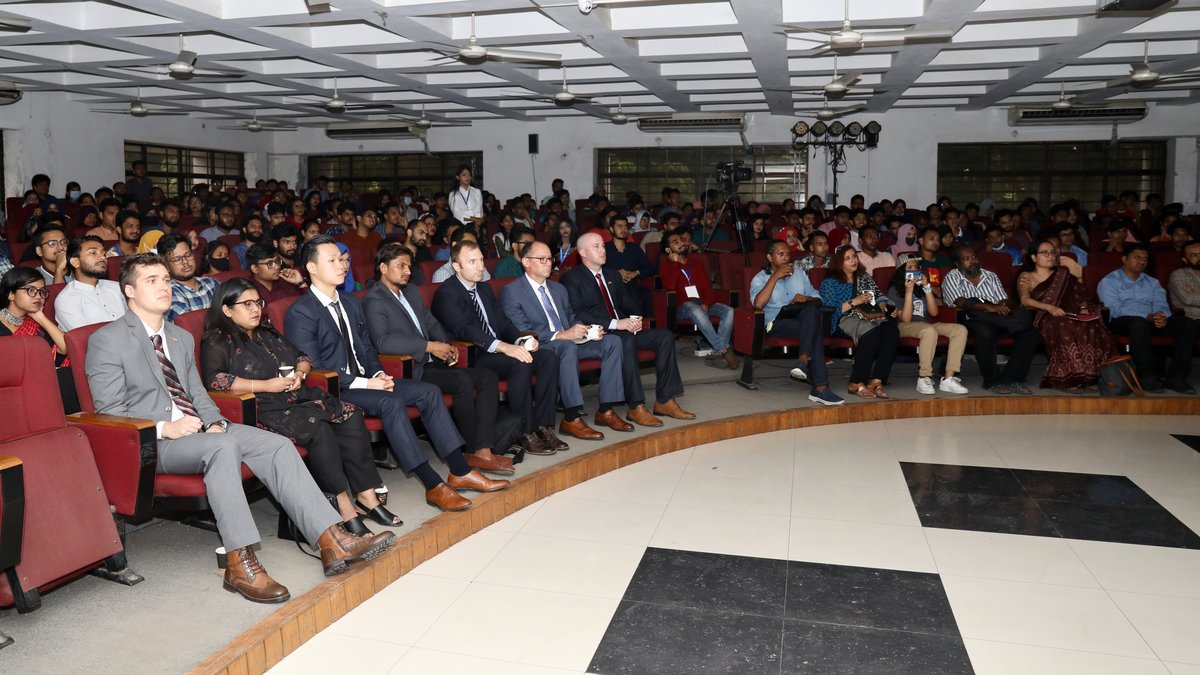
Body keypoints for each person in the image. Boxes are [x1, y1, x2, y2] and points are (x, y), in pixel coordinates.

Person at [86, 254, 393, 603]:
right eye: (151, 280)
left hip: (198, 430)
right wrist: (164, 428)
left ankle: (331, 539)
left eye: (166, 280)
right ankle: (238, 561)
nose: (164, 286)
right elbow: (109, 414)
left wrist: (216, 421)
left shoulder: (179, 337)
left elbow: (197, 392)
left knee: (277, 444)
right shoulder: (107, 340)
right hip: (155, 442)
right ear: (129, 290)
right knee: (223, 448)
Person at [286, 235, 507, 512]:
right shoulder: (301, 312)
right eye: (332, 260)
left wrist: (379, 373)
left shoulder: (351, 302)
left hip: (368, 379)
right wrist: (368, 382)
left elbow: (367, 347)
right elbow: (316, 370)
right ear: (312, 268)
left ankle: (460, 470)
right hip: (336, 388)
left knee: (429, 391)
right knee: (391, 402)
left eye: (343, 259)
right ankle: (433, 484)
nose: (342, 265)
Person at [200, 279, 402, 532]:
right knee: (318, 427)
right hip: (259, 408)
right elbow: (216, 381)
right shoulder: (218, 339)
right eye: (247, 304)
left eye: (258, 303)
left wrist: (299, 374)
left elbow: (303, 357)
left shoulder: (266, 331)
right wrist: (266, 386)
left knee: (350, 415)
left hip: (295, 397)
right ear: (227, 309)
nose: (255, 310)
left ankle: (366, 497)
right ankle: (342, 507)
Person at [363, 244, 514, 474]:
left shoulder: (411, 291)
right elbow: (383, 342)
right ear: (383, 268)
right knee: (461, 381)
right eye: (400, 266)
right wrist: (429, 347)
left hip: (432, 361)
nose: (407, 271)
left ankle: (483, 449)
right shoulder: (374, 299)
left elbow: (432, 323)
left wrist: (447, 345)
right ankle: (469, 450)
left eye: (409, 266)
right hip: (410, 368)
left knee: (486, 376)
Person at [431, 239, 564, 456]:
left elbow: (502, 322)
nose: (480, 266)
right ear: (456, 266)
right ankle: (525, 431)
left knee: (548, 358)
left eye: (481, 260)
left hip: (499, 349)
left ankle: (544, 426)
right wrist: (504, 347)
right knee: (519, 363)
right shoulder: (447, 293)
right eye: (472, 262)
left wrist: (521, 341)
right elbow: (465, 330)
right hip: (474, 355)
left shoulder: (483, 289)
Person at [562, 233, 696, 425]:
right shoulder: (572, 278)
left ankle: (665, 400)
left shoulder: (612, 274)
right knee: (626, 340)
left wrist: (635, 319)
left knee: (665, 336)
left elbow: (630, 302)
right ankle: (635, 406)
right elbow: (579, 313)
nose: (603, 250)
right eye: (596, 246)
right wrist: (617, 324)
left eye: (603, 246)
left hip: (623, 329)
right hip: (599, 334)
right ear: (582, 252)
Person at [501, 242, 624, 439]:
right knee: (567, 347)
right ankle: (571, 417)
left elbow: (572, 318)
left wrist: (587, 330)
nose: (548, 263)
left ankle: (606, 410)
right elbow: (520, 330)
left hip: (569, 343)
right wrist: (561, 335)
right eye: (542, 259)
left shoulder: (558, 289)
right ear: (526, 262)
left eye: (550, 259)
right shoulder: (512, 291)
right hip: (543, 346)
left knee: (612, 342)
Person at [749, 241, 844, 406]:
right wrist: (774, 277)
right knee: (814, 329)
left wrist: (806, 298)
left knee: (811, 310)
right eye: (781, 254)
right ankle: (820, 387)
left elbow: (817, 297)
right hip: (776, 322)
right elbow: (758, 304)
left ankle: (803, 361)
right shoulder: (759, 278)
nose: (786, 258)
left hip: (801, 318)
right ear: (770, 257)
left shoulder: (800, 274)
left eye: (788, 254)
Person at [1017, 240, 1114, 391]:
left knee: (1090, 324)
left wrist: (1083, 307)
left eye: (1053, 252)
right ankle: (1070, 377)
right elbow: (1025, 301)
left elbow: (1081, 296)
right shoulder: (1027, 276)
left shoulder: (1063, 274)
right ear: (1034, 257)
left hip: (1070, 314)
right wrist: (1050, 307)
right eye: (1045, 253)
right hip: (1044, 316)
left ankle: (1089, 377)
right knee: (1063, 325)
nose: (1050, 256)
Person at [1098, 243, 1195, 393]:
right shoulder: (1109, 281)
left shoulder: (1152, 282)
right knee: (1138, 324)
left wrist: (1161, 316)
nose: (1141, 262)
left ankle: (1176, 377)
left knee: (1187, 324)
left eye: (1145, 259)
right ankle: (1147, 376)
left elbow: (1161, 304)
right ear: (1124, 259)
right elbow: (1114, 309)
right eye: (1136, 257)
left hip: (1151, 319)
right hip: (1123, 320)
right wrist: (1147, 316)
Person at [941, 246, 1037, 395]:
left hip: (998, 318)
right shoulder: (951, 277)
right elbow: (960, 302)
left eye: (974, 257)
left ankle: (1011, 378)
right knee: (984, 330)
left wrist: (1003, 307)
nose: (972, 261)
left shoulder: (990, 275)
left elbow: (1003, 298)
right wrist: (989, 307)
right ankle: (991, 380)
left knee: (1029, 332)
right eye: (967, 259)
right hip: (970, 320)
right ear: (957, 264)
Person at [819, 246, 899, 399]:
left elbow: (880, 296)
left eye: (854, 256)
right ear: (838, 262)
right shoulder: (830, 283)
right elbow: (829, 310)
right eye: (847, 258)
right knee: (872, 333)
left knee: (891, 331)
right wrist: (854, 302)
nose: (853, 260)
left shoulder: (864, 277)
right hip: (845, 318)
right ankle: (856, 382)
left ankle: (876, 380)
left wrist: (886, 305)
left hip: (870, 315)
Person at [659, 230, 739, 369]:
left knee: (729, 311)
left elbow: (707, 287)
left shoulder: (696, 263)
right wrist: (675, 263)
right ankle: (724, 350)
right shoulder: (666, 265)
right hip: (682, 306)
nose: (681, 243)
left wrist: (707, 302)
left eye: (681, 240)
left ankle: (717, 351)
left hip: (701, 303)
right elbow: (670, 286)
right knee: (694, 309)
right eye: (675, 242)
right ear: (668, 249)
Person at [889, 260, 970, 395]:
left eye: (916, 267)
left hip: (926, 325)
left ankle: (948, 378)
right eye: (910, 268)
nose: (914, 270)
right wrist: (908, 292)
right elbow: (906, 319)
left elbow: (934, 313)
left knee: (960, 330)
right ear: (902, 271)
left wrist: (927, 288)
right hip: (904, 326)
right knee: (929, 330)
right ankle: (924, 377)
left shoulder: (921, 289)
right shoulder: (895, 290)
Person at [55, 236, 127, 332]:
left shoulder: (117, 287)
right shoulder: (66, 299)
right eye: (93, 253)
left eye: (104, 254)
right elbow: (85, 338)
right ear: (76, 262)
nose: (102, 257)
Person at [158, 234, 219, 321]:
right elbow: (190, 324)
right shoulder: (168, 294)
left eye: (188, 255)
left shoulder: (211, 282)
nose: (185, 262)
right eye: (177, 259)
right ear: (166, 266)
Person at [1167, 240, 1200, 393]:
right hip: (1189, 319)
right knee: (1188, 326)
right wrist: (1193, 296)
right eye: (1194, 255)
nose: (1199, 257)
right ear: (1185, 260)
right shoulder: (1179, 274)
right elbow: (1188, 299)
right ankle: (1177, 378)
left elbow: (1194, 298)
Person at [449, 166, 484, 231]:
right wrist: (473, 218)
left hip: (476, 224)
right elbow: (457, 213)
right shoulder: (453, 194)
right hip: (460, 225)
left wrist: (476, 220)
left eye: (469, 175)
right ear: (457, 177)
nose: (467, 177)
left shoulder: (477, 191)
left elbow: (479, 211)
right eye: (464, 175)